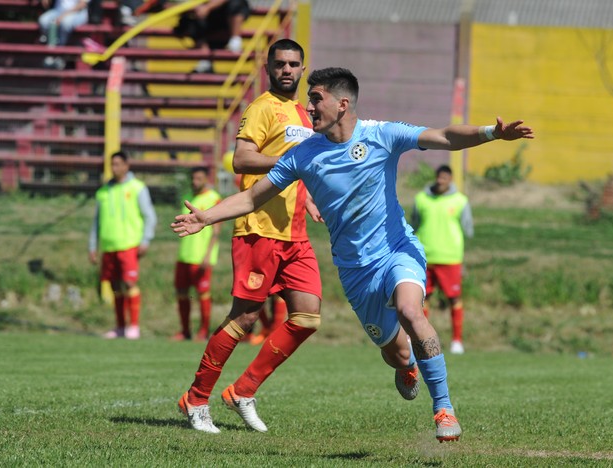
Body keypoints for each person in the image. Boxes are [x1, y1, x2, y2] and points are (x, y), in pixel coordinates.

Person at [172, 67, 534, 442]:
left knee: (412, 311)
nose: (309, 107)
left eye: (316, 99)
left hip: (397, 251)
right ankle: (407, 363)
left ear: (342, 105)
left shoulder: (382, 134)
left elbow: (442, 135)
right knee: (395, 353)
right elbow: (251, 196)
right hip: (356, 273)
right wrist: (206, 217)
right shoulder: (304, 155)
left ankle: (444, 409)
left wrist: (491, 133)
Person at [175, 39, 323, 434]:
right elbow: (242, 159)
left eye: (294, 64)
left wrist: (308, 200)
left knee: (307, 317)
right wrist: (291, 162)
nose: (287, 70)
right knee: (244, 318)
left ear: (303, 69)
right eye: (280, 64)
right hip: (257, 228)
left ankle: (243, 390)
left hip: (295, 232)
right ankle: (196, 397)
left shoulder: (305, 114)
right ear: (268, 68)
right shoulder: (260, 108)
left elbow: (301, 171)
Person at [89, 151, 157, 340]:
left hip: (129, 244)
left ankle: (133, 326)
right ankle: (120, 327)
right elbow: (96, 221)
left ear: (127, 165)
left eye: (118, 164)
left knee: (129, 283)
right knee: (115, 286)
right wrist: (92, 245)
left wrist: (145, 240)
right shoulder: (103, 191)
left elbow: (149, 215)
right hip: (109, 246)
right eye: (112, 164)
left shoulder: (137, 188)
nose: (115, 168)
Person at [411, 165, 474, 355]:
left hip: (450, 258)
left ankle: (457, 341)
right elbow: (413, 224)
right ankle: (421, 341)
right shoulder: (421, 199)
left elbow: (468, 229)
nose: (441, 181)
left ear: (451, 179)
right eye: (439, 177)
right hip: (424, 257)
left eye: (445, 177)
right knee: (423, 299)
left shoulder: (460, 201)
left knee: (454, 298)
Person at [172, 167, 222, 342]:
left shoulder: (212, 198)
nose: (195, 182)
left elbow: (216, 231)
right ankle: (185, 331)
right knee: (181, 292)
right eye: (193, 178)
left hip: (201, 257)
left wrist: (208, 256)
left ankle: (203, 331)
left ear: (206, 179)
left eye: (199, 178)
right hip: (185, 255)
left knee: (203, 293)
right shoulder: (189, 198)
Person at [172, 0, 250, 73]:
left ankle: (235, 41)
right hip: (207, 21)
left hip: (224, 17)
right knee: (186, 23)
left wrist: (207, 7)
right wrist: (195, 7)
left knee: (237, 3)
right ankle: (205, 59)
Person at [38, 0, 89, 69]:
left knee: (65, 24)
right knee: (44, 21)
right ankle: (51, 49)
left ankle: (60, 53)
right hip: (57, 11)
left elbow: (82, 4)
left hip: (77, 13)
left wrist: (64, 15)